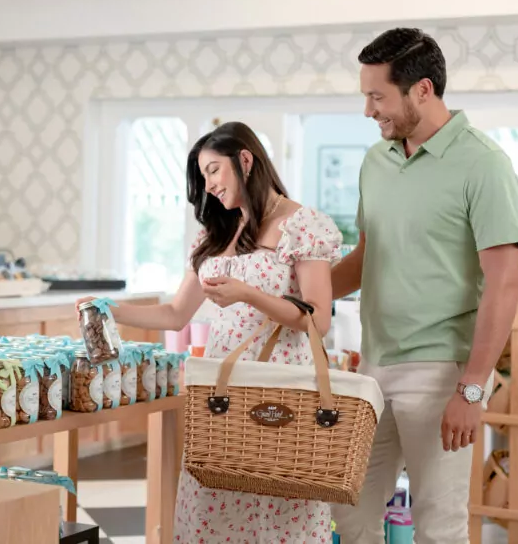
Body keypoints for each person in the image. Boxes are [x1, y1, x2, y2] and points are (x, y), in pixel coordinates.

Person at [79, 121, 343, 543]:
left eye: (213, 170)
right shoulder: (217, 233)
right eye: (203, 177)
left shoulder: (304, 225)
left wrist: (247, 294)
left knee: (277, 507)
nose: (209, 185)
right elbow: (174, 314)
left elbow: (317, 319)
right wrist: (110, 310)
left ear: (245, 160)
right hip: (221, 389)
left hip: (279, 390)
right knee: (210, 503)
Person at [330, 28, 518, 544]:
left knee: (438, 528)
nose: (369, 110)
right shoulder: (377, 160)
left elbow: (506, 283)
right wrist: (297, 295)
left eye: (378, 96)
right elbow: (368, 257)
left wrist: (473, 387)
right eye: (366, 96)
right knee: (350, 517)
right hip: (372, 367)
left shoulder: (484, 165)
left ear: (422, 90)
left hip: (440, 371)